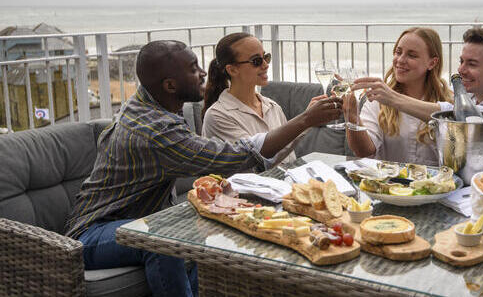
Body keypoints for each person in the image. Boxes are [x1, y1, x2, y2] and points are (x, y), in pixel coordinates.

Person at [64, 40, 342, 297]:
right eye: (193, 69)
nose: (203, 73)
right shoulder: (155, 131)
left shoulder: (151, 106)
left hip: (135, 219)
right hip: (90, 234)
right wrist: (305, 120)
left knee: (203, 228)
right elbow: (236, 156)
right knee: (162, 241)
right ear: (170, 85)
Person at [352, 27, 483, 179]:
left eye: (471, 64)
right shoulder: (467, 98)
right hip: (479, 199)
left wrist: (393, 98)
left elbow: (472, 120)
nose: (461, 70)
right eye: (461, 61)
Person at [343, 27, 452, 166]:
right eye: (398, 52)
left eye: (412, 55)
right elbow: (364, 151)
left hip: (435, 186)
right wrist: (352, 116)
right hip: (389, 185)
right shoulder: (378, 99)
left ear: (432, 63)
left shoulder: (448, 103)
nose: (400, 60)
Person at [202, 32, 296, 163]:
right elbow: (257, 162)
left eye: (266, 57)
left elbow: (290, 161)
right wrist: (306, 121)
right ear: (232, 70)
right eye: (256, 61)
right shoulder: (218, 116)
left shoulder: (273, 107)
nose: (266, 65)